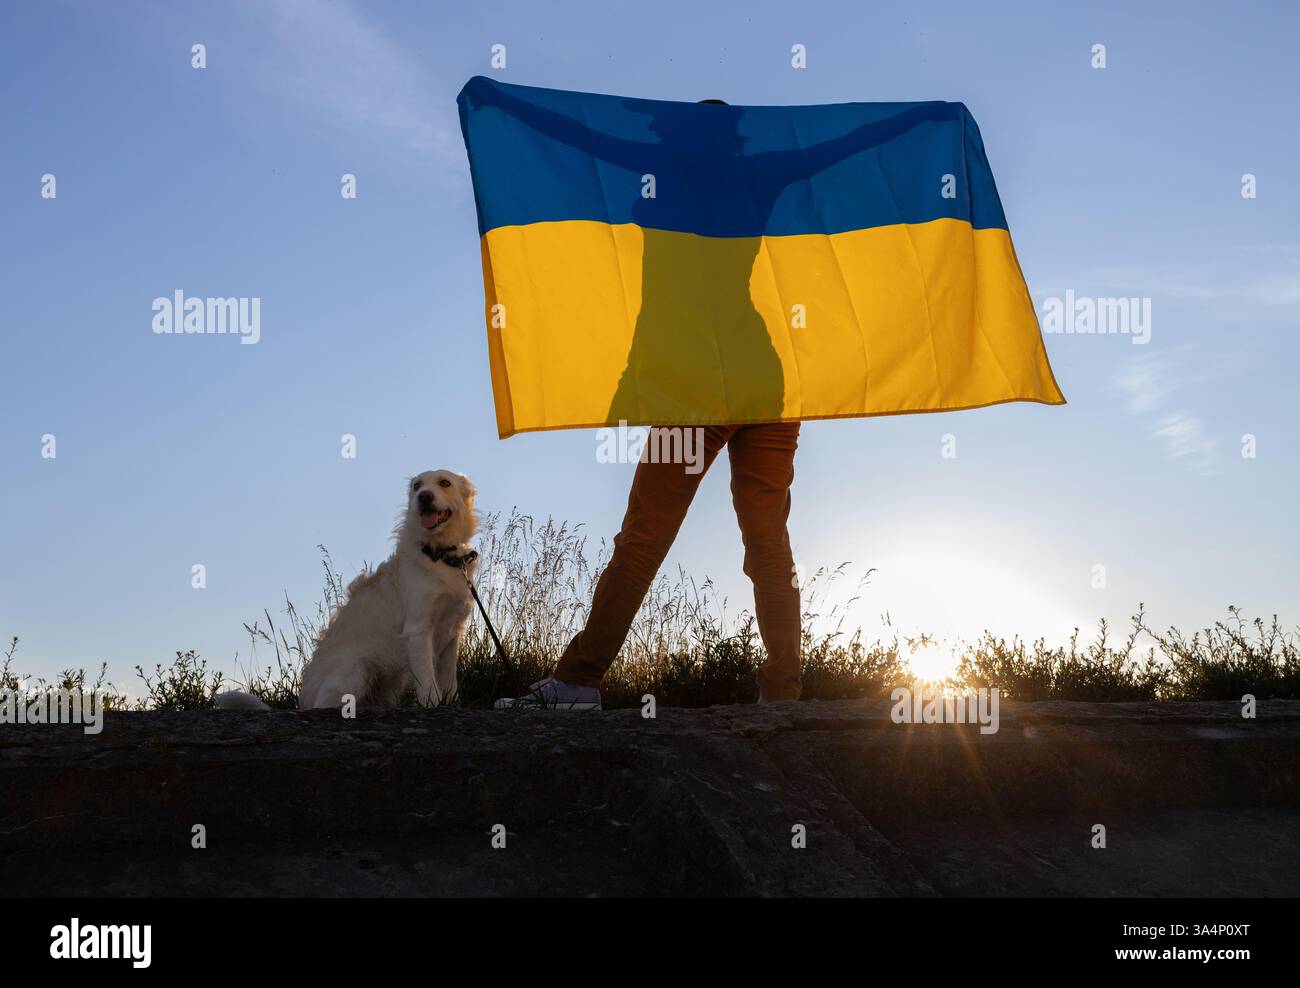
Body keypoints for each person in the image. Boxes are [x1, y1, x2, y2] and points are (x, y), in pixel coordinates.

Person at [493, 98, 814, 710]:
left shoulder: (659, 170)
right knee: (769, 545)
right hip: (764, 377)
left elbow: (582, 139)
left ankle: (579, 681)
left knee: (645, 536)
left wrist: (509, 106)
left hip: (699, 380)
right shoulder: (761, 174)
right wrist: (921, 121)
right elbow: (838, 152)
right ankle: (785, 697)